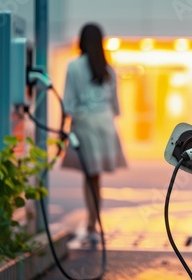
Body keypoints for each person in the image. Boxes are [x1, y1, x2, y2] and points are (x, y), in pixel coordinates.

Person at [61, 23, 127, 244]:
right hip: (105, 125)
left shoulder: (73, 66)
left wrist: (66, 127)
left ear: (81, 40)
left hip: (85, 125)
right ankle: (94, 220)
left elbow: (68, 104)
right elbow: (116, 106)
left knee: (89, 175)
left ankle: (92, 222)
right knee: (95, 176)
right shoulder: (108, 69)